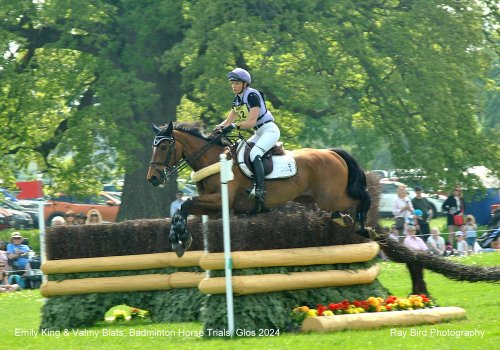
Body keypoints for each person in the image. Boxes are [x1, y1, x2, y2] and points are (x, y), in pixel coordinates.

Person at [215, 67, 280, 212]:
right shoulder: (237, 100)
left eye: (236, 83)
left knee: (254, 154)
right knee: (241, 152)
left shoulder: (252, 96)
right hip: (259, 132)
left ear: (245, 84)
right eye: (232, 83)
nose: (233, 86)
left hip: (269, 130)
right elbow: (227, 121)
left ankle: (260, 190)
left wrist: (232, 126)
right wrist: (217, 129)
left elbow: (250, 122)